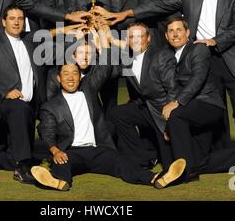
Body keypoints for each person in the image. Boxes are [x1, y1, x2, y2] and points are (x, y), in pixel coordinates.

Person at [95, 0, 235, 149]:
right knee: (216, 108)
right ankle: (225, 152)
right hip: (203, 57)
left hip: (231, 58)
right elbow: (156, 6)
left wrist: (214, 40)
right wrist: (122, 14)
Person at [30, 62, 186, 191]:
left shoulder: (89, 90)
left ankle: (156, 178)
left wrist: (103, 38)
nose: (70, 78)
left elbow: (103, 68)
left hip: (98, 150)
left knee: (122, 162)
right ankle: (57, 181)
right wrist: (55, 150)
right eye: (66, 74)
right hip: (72, 151)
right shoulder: (50, 106)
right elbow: (48, 131)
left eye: (75, 73)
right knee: (62, 162)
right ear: (58, 78)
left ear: (80, 76)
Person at [161, 17, 235, 184]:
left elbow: (198, 78)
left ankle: (186, 172)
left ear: (188, 33)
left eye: (179, 30)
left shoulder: (198, 49)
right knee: (199, 160)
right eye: (171, 31)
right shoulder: (171, 56)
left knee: (176, 115)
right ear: (166, 36)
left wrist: (176, 103)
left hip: (209, 105)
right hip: (194, 108)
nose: (175, 34)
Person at [0, 6, 46, 183]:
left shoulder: (30, 41)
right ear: (3, 22)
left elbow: (50, 35)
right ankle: (22, 168)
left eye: (20, 19)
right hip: (3, 102)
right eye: (12, 18)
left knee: (22, 141)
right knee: (18, 109)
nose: (16, 22)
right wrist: (5, 92)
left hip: (30, 103)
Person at [107, 22, 177, 170]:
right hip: (145, 107)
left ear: (148, 38)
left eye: (140, 36)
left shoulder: (161, 56)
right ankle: (143, 157)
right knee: (117, 114)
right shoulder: (128, 59)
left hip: (162, 110)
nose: (136, 40)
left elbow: (173, 90)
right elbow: (113, 73)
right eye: (132, 37)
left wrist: (169, 122)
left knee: (170, 163)